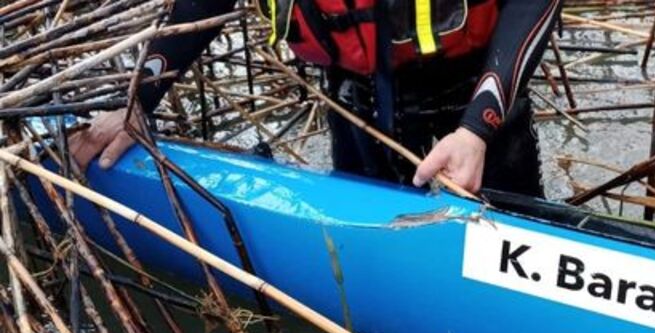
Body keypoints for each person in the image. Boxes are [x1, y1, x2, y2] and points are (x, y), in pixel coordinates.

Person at [70, 0, 561, 197]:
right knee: (369, 257)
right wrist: (138, 103)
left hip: (476, 92)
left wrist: (477, 127)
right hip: (358, 101)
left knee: (513, 216)